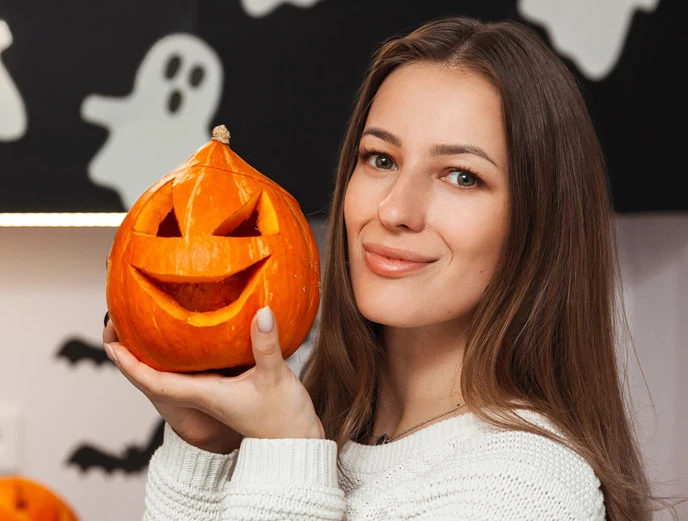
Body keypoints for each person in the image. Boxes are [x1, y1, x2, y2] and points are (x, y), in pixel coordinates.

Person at [102, 16, 677, 521]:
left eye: (461, 176)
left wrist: (285, 451)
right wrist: (210, 445)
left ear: (539, 219)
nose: (395, 210)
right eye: (381, 159)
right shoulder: (322, 423)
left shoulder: (527, 488)